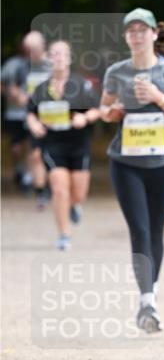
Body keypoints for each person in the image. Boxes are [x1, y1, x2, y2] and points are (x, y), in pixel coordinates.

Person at [100, 9, 164, 332]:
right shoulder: (117, 71)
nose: (138, 35)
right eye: (132, 30)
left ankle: (150, 293)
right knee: (139, 230)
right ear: (126, 36)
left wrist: (160, 99)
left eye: (144, 30)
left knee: (155, 230)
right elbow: (104, 109)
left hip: (162, 165)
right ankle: (147, 301)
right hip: (126, 163)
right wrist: (112, 112)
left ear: (155, 34)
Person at [25, 40, 100, 249]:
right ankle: (64, 235)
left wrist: (84, 119)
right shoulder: (40, 88)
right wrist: (34, 125)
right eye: (54, 54)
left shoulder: (80, 84)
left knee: (78, 193)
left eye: (62, 54)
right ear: (48, 58)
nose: (58, 58)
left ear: (69, 58)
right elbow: (31, 113)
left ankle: (75, 205)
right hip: (52, 143)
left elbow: (97, 110)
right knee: (59, 189)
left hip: (78, 144)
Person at [1, 30, 50, 202]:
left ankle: (43, 181)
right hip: (24, 114)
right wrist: (18, 97)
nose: (32, 52)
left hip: (50, 114)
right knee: (29, 148)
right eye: (29, 48)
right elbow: (10, 85)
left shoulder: (51, 64)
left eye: (35, 48)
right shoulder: (20, 65)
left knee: (42, 149)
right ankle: (31, 180)